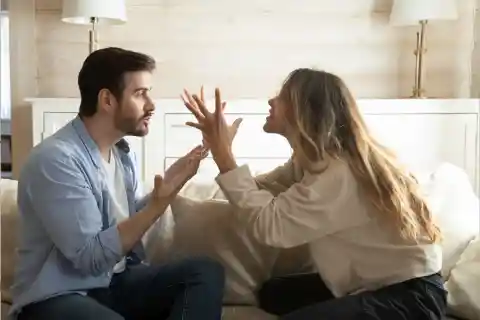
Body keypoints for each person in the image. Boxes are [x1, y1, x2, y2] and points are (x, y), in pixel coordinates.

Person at [181, 68, 446, 319]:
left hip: (410, 296)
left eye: (283, 97)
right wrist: (220, 152)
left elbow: (271, 226)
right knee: (272, 294)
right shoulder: (312, 162)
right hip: (373, 282)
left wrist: (224, 155)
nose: (271, 101)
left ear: (305, 111)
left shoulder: (341, 174)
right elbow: (254, 192)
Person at [10, 47, 225, 320]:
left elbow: (125, 226)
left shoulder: (122, 153)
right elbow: (90, 259)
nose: (151, 104)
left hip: (113, 283)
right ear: (107, 100)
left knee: (204, 272)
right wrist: (156, 206)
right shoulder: (56, 161)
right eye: (140, 93)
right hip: (60, 295)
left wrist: (173, 184)